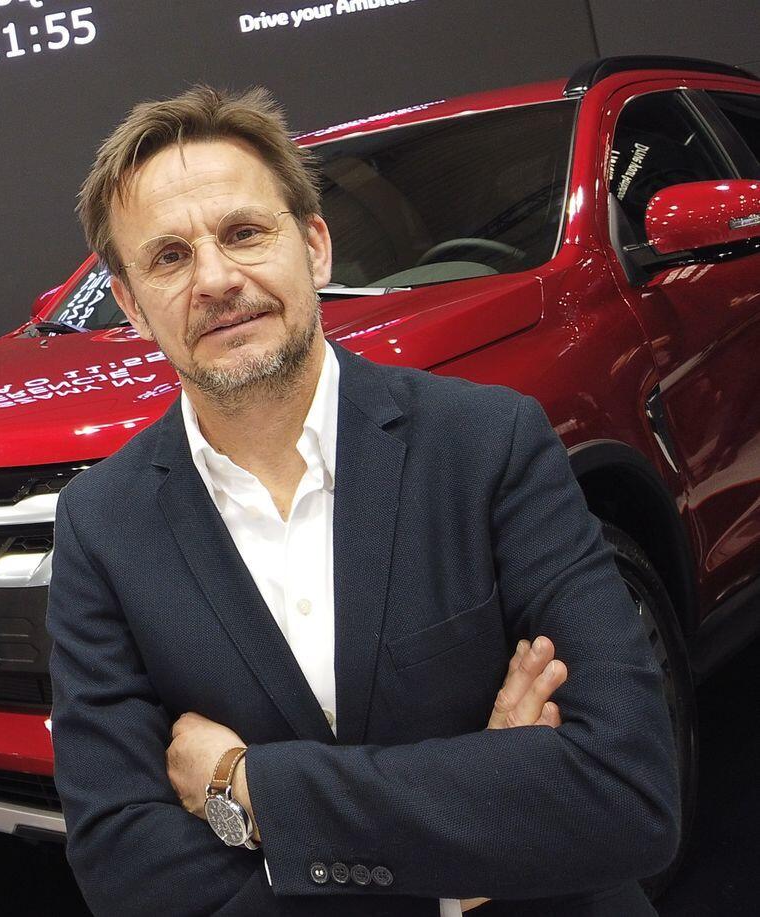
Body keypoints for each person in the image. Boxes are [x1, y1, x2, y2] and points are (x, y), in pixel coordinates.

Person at [45, 85, 678, 917]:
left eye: (244, 232)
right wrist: (464, 862)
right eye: (168, 257)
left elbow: (628, 789)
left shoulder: (489, 443)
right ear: (131, 305)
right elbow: (129, 874)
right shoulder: (100, 524)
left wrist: (247, 786)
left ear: (314, 247)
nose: (216, 279)